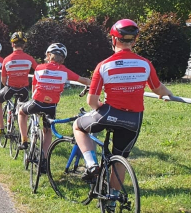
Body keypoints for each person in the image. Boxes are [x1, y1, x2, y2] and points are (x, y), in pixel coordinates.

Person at [73, 19, 174, 189]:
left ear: (113, 40)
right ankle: (112, 200)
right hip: (134, 119)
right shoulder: (145, 64)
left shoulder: (103, 66)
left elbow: (91, 101)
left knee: (78, 126)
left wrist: (101, 108)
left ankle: (91, 164)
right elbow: (158, 89)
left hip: (109, 113)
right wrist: (168, 95)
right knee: (120, 160)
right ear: (134, 41)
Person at [18, 43, 90, 168]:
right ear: (63, 58)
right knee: (47, 131)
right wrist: (94, 84)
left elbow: (34, 87)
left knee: (21, 112)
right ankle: (44, 159)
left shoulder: (39, 68)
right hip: (51, 106)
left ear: (48, 55)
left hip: (36, 102)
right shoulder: (65, 71)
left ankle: (24, 140)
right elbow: (83, 80)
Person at [0, 32, 36, 134]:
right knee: (23, 112)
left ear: (12, 44)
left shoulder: (7, 59)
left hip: (10, 88)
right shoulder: (29, 58)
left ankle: (1, 127)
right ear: (24, 45)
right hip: (24, 89)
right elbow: (39, 70)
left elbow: (3, 80)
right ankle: (23, 134)